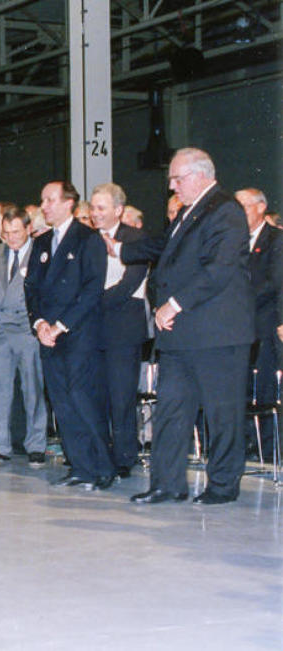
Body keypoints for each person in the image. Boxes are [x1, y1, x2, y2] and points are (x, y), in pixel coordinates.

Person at [115, 148, 253, 504]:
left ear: (201, 175)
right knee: (172, 411)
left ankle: (222, 486)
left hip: (216, 334)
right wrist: (121, 249)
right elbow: (166, 246)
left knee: (223, 414)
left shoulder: (225, 210)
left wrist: (173, 304)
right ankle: (167, 483)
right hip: (181, 335)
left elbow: (218, 269)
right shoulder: (189, 212)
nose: (172, 186)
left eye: (178, 179)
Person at [25, 180, 113, 490]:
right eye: (42, 200)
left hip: (78, 333)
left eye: (49, 200)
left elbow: (92, 289)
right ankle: (80, 467)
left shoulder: (88, 239)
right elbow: (31, 289)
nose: (44, 206)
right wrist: (39, 325)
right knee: (61, 401)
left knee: (83, 399)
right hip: (47, 335)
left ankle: (104, 466)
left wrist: (61, 325)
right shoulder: (41, 242)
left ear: (69, 203)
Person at [89, 183, 149, 478]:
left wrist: (91, 303)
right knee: (96, 394)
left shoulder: (135, 238)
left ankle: (124, 456)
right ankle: (100, 454)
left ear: (118, 210)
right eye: (92, 208)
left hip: (123, 328)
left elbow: (130, 283)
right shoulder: (87, 239)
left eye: (101, 208)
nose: (95, 213)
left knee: (122, 395)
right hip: (92, 330)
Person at [0, 206, 47, 465]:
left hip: (27, 332)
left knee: (33, 390)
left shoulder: (41, 252)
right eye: (6, 233)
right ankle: (2, 445)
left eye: (17, 232)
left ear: (28, 228)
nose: (11, 238)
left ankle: (36, 444)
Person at [235, 187, 283, 461]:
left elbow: (273, 283)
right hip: (240, 329)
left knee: (265, 390)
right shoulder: (236, 241)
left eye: (244, 206)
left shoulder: (276, 239)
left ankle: (268, 450)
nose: (239, 212)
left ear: (261, 207)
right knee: (242, 391)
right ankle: (249, 445)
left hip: (265, 326)